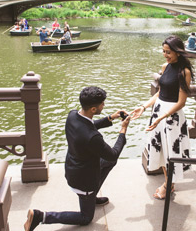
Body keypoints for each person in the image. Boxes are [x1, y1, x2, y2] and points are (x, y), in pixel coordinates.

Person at [24, 86, 130, 230]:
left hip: (73, 168)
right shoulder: (93, 138)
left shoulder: (72, 115)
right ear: (93, 109)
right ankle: (40, 216)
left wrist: (111, 117)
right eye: (102, 104)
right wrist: (123, 129)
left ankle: (91, 198)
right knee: (86, 218)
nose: (104, 105)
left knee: (109, 162)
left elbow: (89, 126)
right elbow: (113, 153)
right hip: (84, 181)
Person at [131, 35, 194, 200]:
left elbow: (181, 102)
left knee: (170, 152)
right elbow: (159, 93)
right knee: (160, 150)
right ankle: (169, 182)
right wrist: (144, 107)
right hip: (158, 112)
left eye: (169, 52)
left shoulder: (184, 72)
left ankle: (168, 185)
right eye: (164, 51)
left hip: (171, 117)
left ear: (178, 52)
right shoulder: (165, 67)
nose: (165, 55)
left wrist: (163, 117)